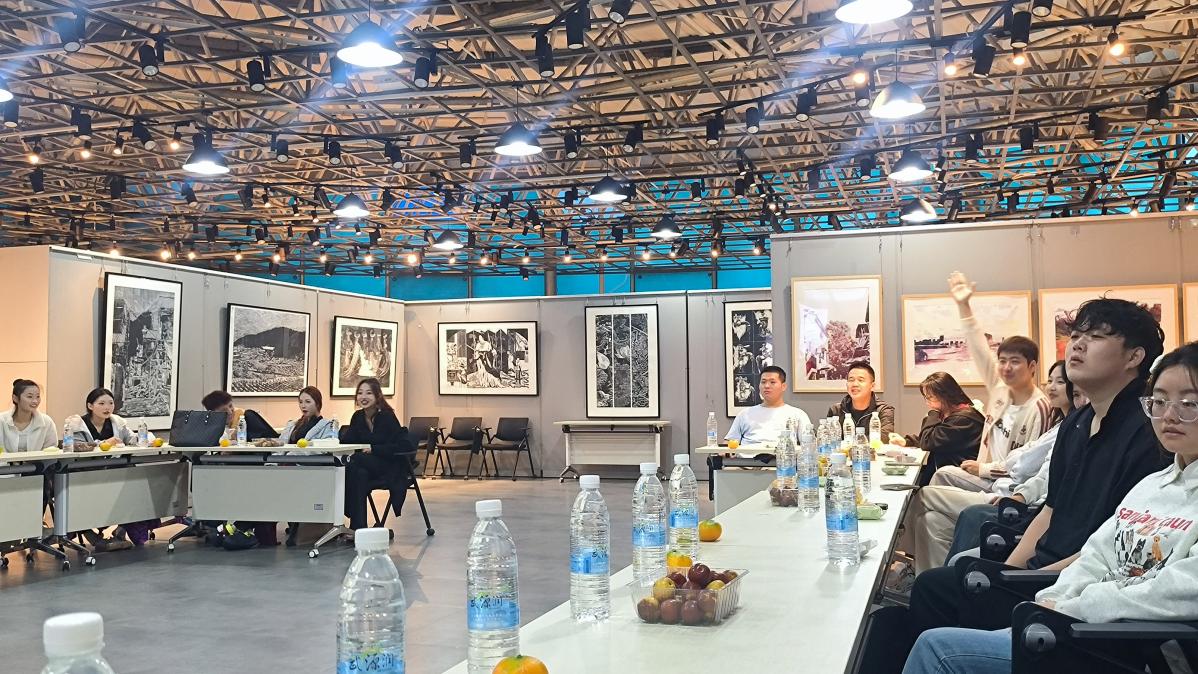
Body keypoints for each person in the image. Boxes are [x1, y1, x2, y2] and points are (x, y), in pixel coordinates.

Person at [858, 297, 1168, 674]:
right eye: (1076, 335)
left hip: (1074, 589)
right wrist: (1007, 573)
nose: (1077, 345)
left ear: (1134, 356)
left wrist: (1025, 581)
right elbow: (1050, 511)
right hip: (1042, 573)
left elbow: (1116, 549)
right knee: (907, 608)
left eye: (1097, 337)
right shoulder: (1077, 423)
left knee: (926, 610)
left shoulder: (1148, 433)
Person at [902, 342, 1198, 674]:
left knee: (937, 648)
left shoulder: (1128, 443)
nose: (1169, 415)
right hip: (1073, 621)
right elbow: (1095, 556)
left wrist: (1076, 607)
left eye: (1189, 403)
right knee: (911, 624)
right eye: (1159, 401)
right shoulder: (1152, 485)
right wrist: (1050, 602)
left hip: (1123, 643)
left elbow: (1178, 592)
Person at [902, 361, 1077, 573]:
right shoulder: (1056, 422)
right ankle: (926, 576)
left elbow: (1026, 467)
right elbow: (1019, 457)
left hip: (1012, 499)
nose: (1052, 387)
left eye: (1060, 382)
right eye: (1050, 381)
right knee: (930, 520)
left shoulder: (1046, 413)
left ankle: (907, 555)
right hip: (1007, 485)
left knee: (925, 493)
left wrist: (1008, 482)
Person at [930, 272, 1054, 492]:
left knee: (938, 481)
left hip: (1008, 487)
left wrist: (985, 469)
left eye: (1015, 362)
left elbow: (1031, 466)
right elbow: (979, 349)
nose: (1006, 367)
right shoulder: (1000, 390)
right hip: (985, 479)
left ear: (1032, 366)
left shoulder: (1040, 408)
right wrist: (964, 306)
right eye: (1002, 361)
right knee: (938, 485)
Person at [67, 388, 158, 551]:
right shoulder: (77, 424)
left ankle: (122, 531)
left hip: (114, 472)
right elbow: (75, 446)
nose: (107, 407)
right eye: (101, 403)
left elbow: (131, 439)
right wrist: (103, 444)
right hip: (86, 474)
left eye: (110, 403)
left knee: (135, 482)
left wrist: (145, 437)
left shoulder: (117, 422)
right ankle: (92, 537)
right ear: (90, 406)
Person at [340, 377, 415, 531]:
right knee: (359, 473)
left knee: (354, 461)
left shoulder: (387, 416)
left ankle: (351, 518)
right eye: (360, 393)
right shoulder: (358, 417)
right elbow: (348, 441)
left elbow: (400, 446)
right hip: (367, 466)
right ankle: (359, 528)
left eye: (368, 393)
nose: (363, 397)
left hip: (389, 465)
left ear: (377, 396)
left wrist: (374, 449)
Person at [894, 372, 985, 486]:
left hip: (957, 478)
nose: (927, 402)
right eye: (925, 397)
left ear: (945, 395)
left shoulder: (962, 419)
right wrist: (907, 441)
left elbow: (929, 441)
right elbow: (941, 439)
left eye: (930, 397)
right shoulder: (957, 414)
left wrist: (933, 413)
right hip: (949, 473)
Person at [725, 365, 812, 444]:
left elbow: (809, 444)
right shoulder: (744, 414)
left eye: (772, 382)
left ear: (783, 386)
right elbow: (729, 442)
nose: (766, 386)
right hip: (748, 456)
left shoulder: (797, 414)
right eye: (763, 382)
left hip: (782, 456)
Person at [826, 361, 895, 436]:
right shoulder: (836, 410)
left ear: (872, 386)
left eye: (860, 380)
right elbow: (828, 438)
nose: (855, 384)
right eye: (851, 380)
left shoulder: (883, 410)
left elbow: (885, 437)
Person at [0, 379, 58, 452]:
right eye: (30, 397)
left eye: (38, 396)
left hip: (37, 460)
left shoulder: (47, 422)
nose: (35, 401)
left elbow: (51, 450)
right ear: (15, 398)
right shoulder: (1, 420)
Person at [200, 390, 278, 441]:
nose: (230, 412)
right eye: (224, 410)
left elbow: (269, 439)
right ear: (213, 413)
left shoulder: (248, 416)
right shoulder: (209, 426)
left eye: (230, 406)